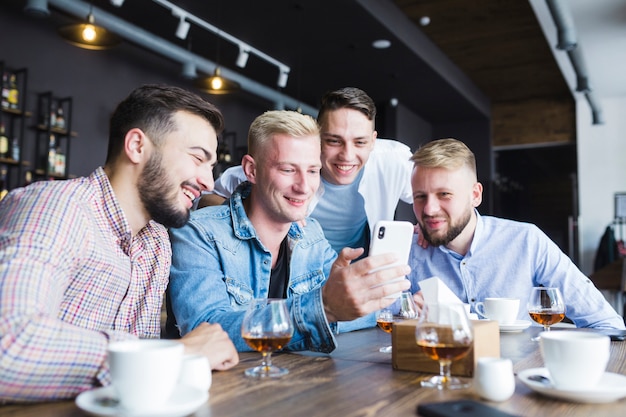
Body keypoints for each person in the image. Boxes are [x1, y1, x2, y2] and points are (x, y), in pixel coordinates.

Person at [0, 85, 239, 403]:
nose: (209, 182)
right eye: (198, 158)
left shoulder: (156, 242)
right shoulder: (55, 207)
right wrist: (175, 353)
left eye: (211, 167)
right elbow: (8, 346)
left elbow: (139, 389)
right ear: (137, 146)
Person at [167, 110, 411, 352]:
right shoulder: (196, 233)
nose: (304, 187)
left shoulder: (311, 234)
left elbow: (360, 307)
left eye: (313, 171)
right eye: (288, 170)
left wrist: (344, 303)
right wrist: (324, 310)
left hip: (294, 385)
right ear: (251, 170)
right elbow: (205, 331)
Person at [407, 138, 625, 329]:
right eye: (420, 197)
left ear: (475, 195)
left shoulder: (527, 241)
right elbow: (382, 320)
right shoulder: (409, 250)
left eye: (444, 194)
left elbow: (606, 323)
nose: (429, 209)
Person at [199, 87, 414, 256]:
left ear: (373, 141)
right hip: (301, 282)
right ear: (318, 138)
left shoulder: (393, 160)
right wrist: (259, 212)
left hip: (362, 277)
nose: (347, 155)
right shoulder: (279, 171)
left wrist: (429, 226)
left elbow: (439, 188)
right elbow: (206, 199)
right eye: (333, 141)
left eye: (360, 142)